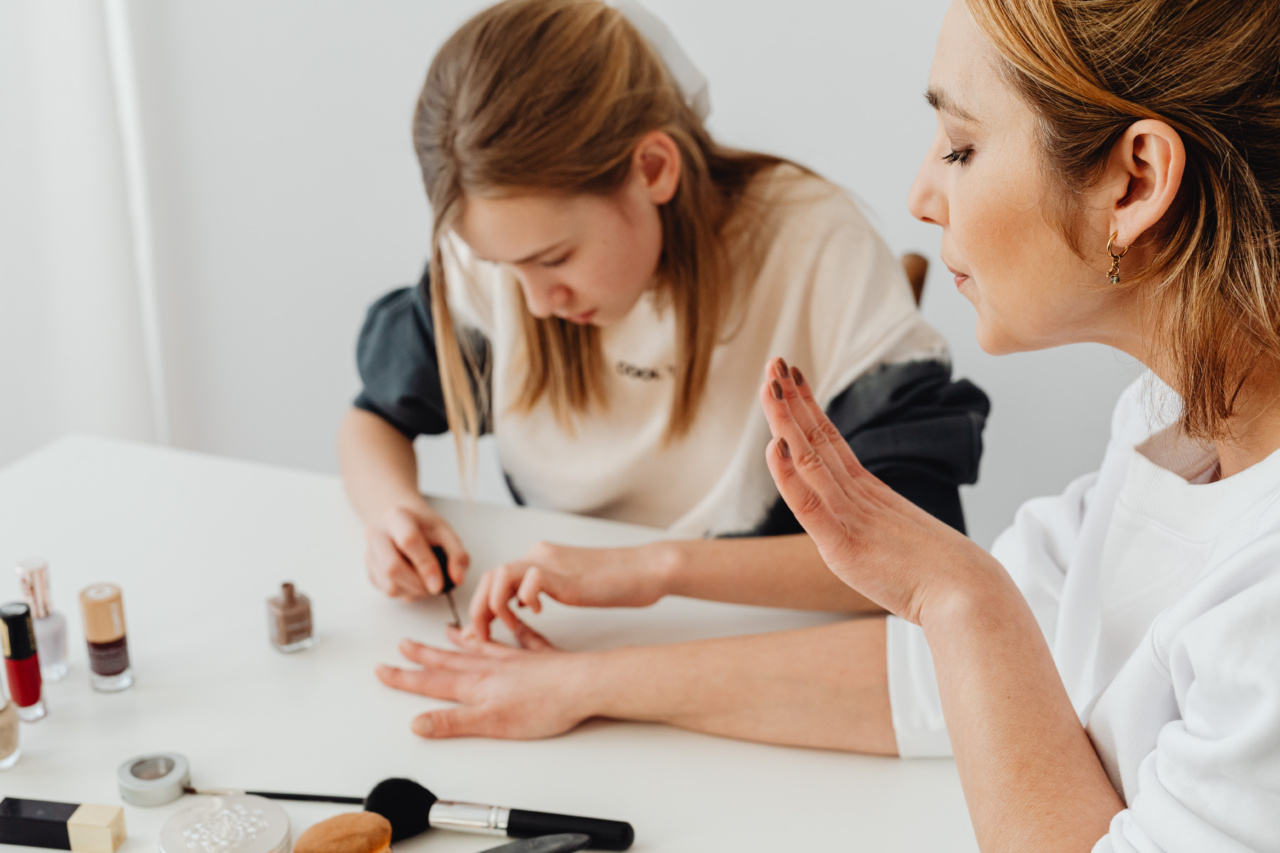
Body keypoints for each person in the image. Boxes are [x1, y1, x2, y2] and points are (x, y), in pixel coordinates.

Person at [381, 0, 1280, 848]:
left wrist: (956, 594)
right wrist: (584, 684)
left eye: (961, 147)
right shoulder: (1170, 417)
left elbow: (985, 644)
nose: (921, 195)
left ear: (1136, 181)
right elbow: (955, 683)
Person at [342, 0, 988, 730]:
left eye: (554, 259)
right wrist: (392, 512)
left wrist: (655, 568)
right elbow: (374, 418)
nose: (536, 302)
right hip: (565, 647)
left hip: (778, 673)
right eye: (505, 266)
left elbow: (920, 552)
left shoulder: (811, 248)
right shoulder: (505, 265)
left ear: (652, 168)